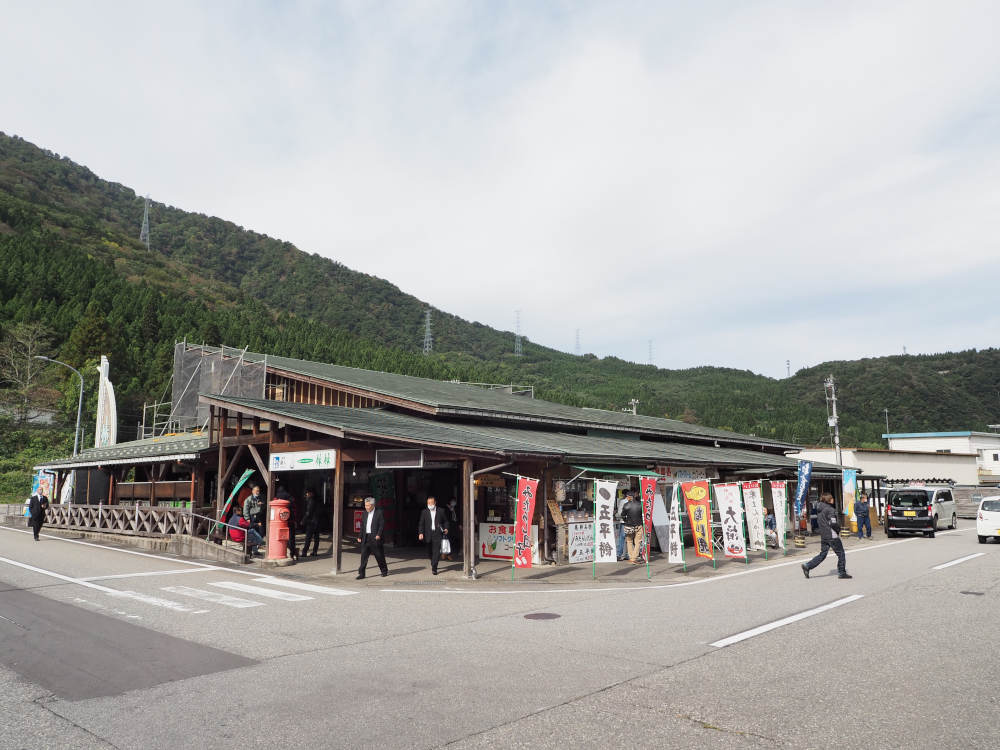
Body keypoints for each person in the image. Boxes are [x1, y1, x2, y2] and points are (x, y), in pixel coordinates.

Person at [802, 493, 851, 579]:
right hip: (832, 535)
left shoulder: (819, 509)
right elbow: (833, 523)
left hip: (824, 535)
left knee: (823, 554)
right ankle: (842, 572)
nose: (833, 499)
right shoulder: (830, 509)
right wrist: (838, 529)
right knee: (841, 553)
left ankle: (808, 566)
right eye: (832, 498)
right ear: (829, 500)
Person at [357, 497, 388, 579]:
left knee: (379, 556)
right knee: (363, 556)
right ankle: (362, 574)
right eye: (365, 505)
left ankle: (384, 571)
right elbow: (363, 526)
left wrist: (379, 534)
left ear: (373, 505)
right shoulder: (364, 513)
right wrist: (360, 536)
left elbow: (382, 525)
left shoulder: (379, 512)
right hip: (366, 537)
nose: (366, 507)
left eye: (368, 505)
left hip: (375, 537)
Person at [417, 495, 449, 575]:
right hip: (428, 534)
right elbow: (421, 524)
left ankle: (434, 568)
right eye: (428, 503)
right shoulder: (424, 512)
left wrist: (446, 528)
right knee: (429, 552)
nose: (430, 504)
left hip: (438, 533)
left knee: (436, 552)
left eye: (431, 503)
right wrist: (420, 533)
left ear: (435, 503)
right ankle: (433, 561)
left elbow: (446, 521)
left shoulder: (441, 511)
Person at [274, 485, 298, 560]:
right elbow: (295, 510)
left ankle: (282, 552)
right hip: (290, 521)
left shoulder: (276, 498)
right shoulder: (291, 499)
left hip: (280, 521)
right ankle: (292, 553)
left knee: (281, 538)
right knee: (291, 538)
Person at [620, 490, 644, 564]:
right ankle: (634, 558)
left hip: (629, 525)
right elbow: (642, 515)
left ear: (629, 497)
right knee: (638, 542)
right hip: (639, 525)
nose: (626, 498)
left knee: (629, 541)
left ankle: (631, 558)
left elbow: (622, 515)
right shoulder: (640, 504)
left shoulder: (626, 505)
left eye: (627, 497)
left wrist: (626, 520)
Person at [301, 488, 322, 557]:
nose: (306, 494)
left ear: (311, 493)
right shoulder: (318, 500)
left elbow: (308, 512)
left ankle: (304, 552)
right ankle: (315, 551)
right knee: (316, 538)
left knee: (308, 538)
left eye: (307, 493)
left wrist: (303, 520)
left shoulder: (311, 501)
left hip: (311, 522)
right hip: (318, 521)